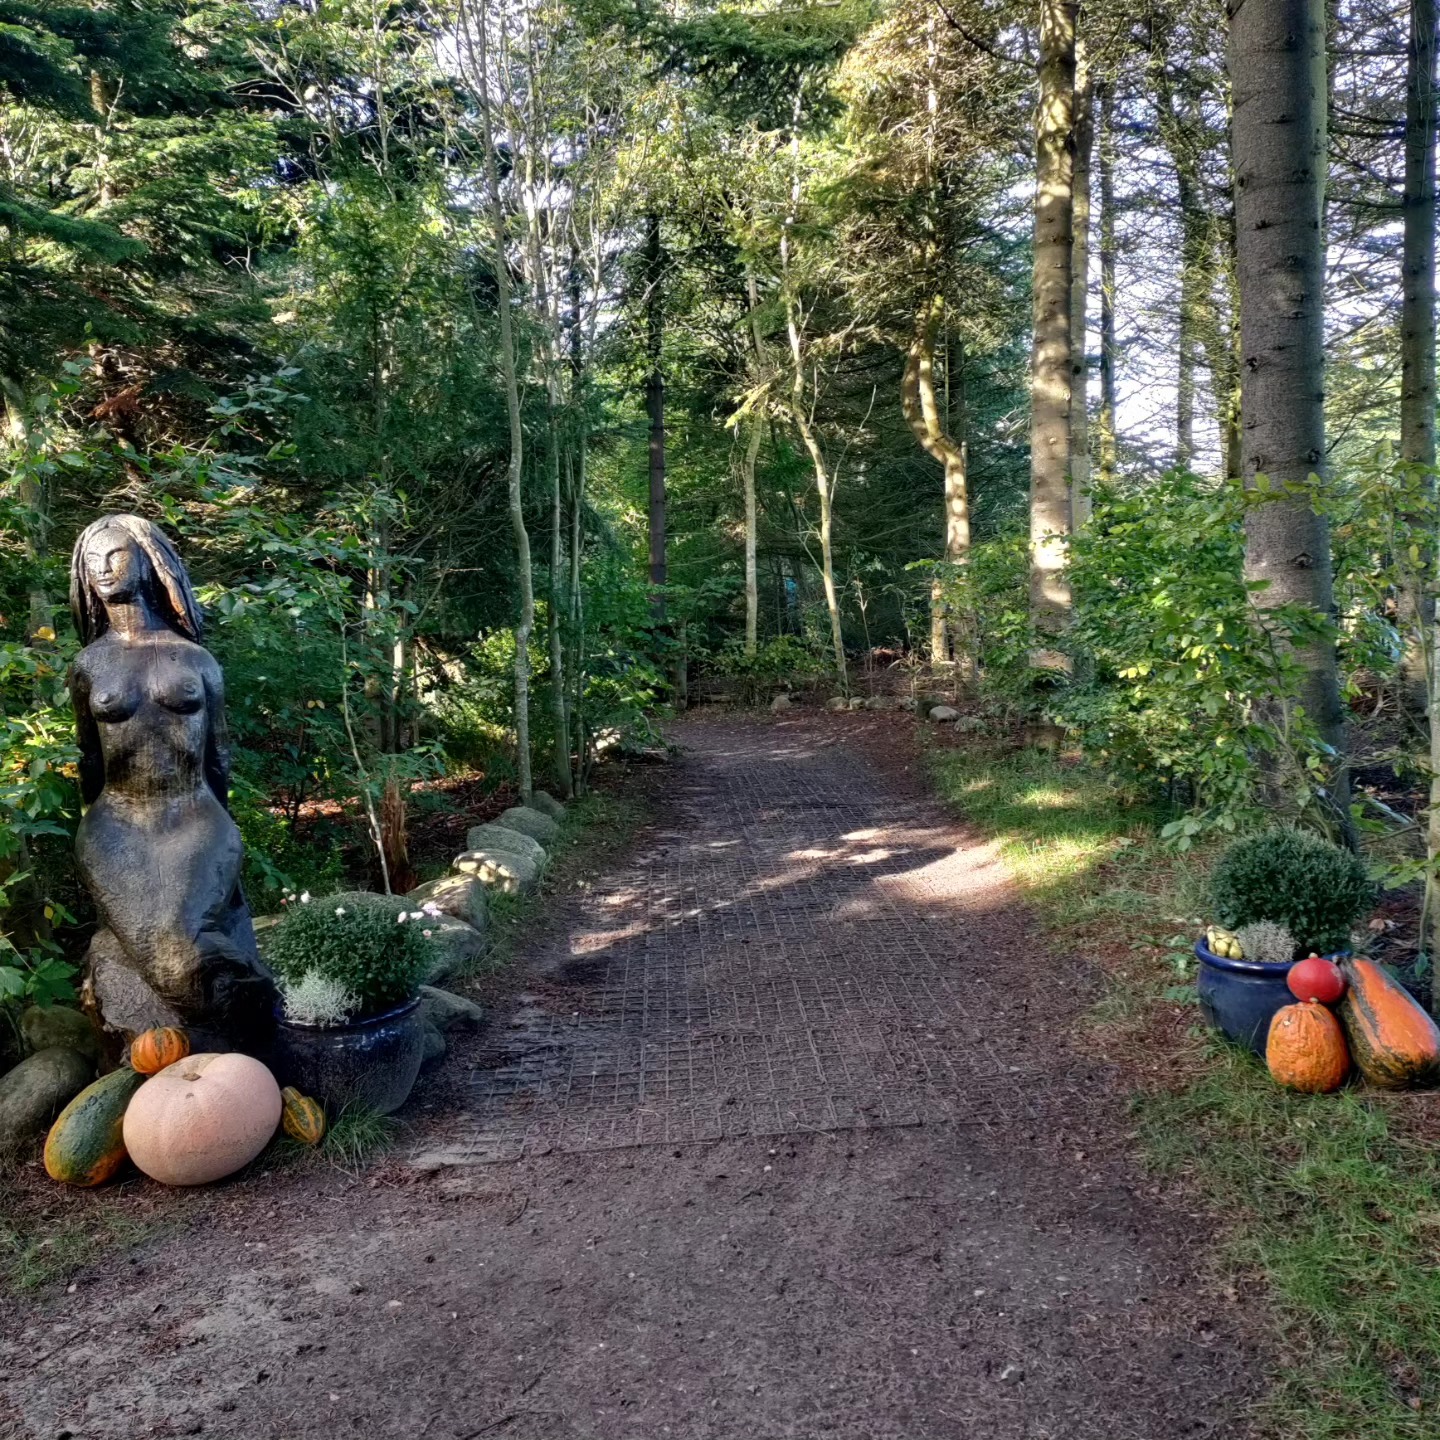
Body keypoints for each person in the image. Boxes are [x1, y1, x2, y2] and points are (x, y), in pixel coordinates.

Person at [69, 514, 275, 1046]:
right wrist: (93, 839)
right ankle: (191, 1054)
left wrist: (226, 844)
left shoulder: (196, 660)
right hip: (116, 825)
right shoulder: (88, 665)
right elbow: (89, 759)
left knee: (178, 945)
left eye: (115, 555)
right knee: (150, 944)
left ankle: (240, 1044)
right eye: (92, 561)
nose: (102, 569)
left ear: (148, 559)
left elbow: (219, 755)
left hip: (193, 816)